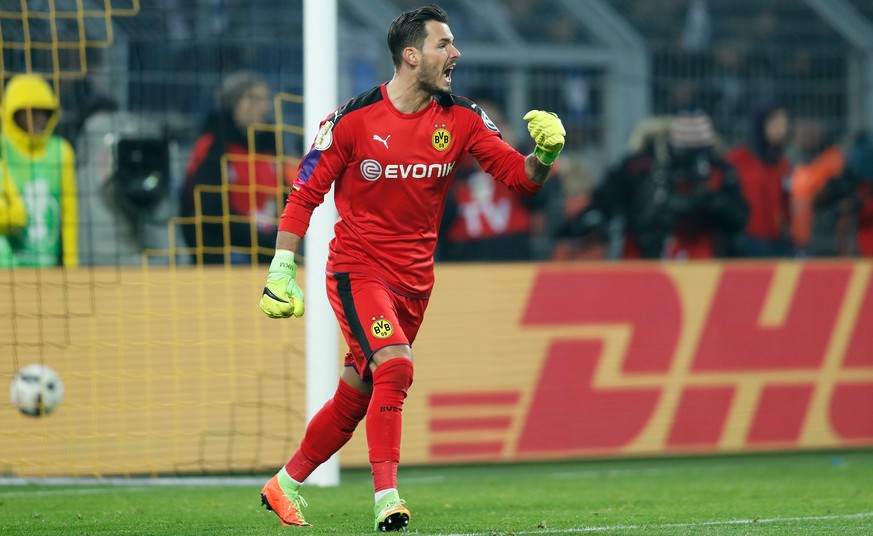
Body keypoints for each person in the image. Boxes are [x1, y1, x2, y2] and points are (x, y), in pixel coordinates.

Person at [256, 4, 565, 532]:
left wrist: (545, 153)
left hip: (415, 283)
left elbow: (519, 179)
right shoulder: (350, 120)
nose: (456, 53)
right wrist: (281, 267)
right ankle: (387, 500)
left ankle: (282, 485)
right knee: (394, 367)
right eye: (444, 44)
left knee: (356, 396)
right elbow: (305, 190)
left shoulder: (462, 117)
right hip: (357, 270)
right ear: (410, 55)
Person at [558, 110, 748, 259]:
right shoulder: (641, 167)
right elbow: (608, 200)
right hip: (644, 259)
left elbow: (739, 219)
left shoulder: (719, 171)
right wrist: (586, 221)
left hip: (702, 263)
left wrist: (713, 203)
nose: (694, 161)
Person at [179, 70, 287, 265]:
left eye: (265, 100)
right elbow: (209, 208)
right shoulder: (214, 146)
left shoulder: (271, 146)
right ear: (234, 104)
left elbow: (286, 197)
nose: (264, 108)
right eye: (254, 99)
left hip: (267, 250)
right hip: (222, 254)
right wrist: (261, 242)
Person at [0, 74, 78, 267]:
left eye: (43, 112)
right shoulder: (2, 148)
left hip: (47, 270)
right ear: (11, 112)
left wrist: (72, 265)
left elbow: (70, 214)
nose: (37, 119)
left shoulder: (61, 151)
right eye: (28, 112)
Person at [726, 98, 793, 257]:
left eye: (784, 123)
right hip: (743, 244)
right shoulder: (737, 159)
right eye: (775, 123)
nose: (781, 129)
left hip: (776, 243)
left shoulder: (783, 164)